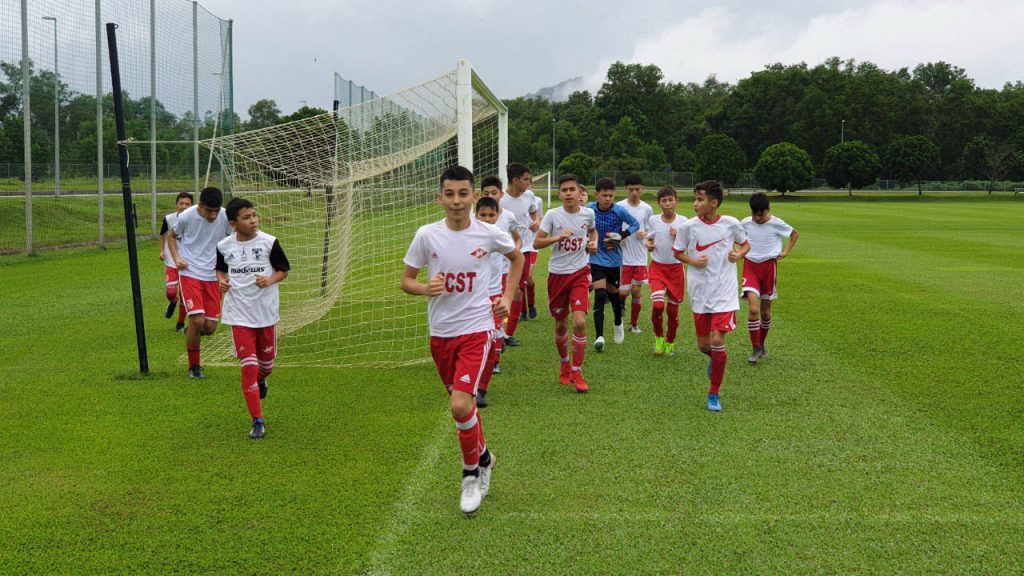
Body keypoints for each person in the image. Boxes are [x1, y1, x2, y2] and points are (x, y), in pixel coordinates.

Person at [402, 165, 523, 515]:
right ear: (440, 197)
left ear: (474, 196)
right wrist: (425, 287)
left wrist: (508, 297)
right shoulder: (427, 235)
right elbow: (407, 280)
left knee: (459, 405)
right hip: (441, 334)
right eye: (450, 194)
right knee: (464, 409)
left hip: (477, 329)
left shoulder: (488, 234)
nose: (457, 201)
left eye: (463, 194)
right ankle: (484, 456)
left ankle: (471, 475)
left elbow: (516, 260)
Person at [215, 197, 290, 439]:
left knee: (266, 366)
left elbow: (283, 270)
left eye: (255, 215)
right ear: (233, 223)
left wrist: (269, 280)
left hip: (266, 313)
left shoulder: (269, 242)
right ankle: (257, 420)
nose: (253, 221)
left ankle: (261, 382)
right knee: (249, 366)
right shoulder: (224, 246)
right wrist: (221, 280)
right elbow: (219, 268)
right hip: (238, 313)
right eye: (247, 217)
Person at [673, 180, 749, 412]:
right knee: (704, 345)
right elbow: (677, 253)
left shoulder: (731, 224)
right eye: (695, 199)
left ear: (713, 203)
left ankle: (713, 393)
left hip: (724, 290)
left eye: (700, 199)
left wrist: (739, 254)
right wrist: (693, 261)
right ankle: (714, 361)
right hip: (700, 291)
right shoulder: (688, 227)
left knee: (717, 341)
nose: (695, 203)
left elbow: (745, 245)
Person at [533, 174, 597, 392]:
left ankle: (578, 372)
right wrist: (556, 238)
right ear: (559, 194)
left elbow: (592, 231)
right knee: (561, 323)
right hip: (557, 275)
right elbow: (537, 242)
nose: (569, 193)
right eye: (564, 190)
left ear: (580, 193)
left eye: (572, 189)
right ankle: (564, 364)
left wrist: (594, 242)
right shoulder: (552, 215)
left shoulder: (588, 213)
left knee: (579, 322)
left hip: (580, 273)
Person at [167, 186, 233, 379]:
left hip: (213, 276)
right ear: (200, 205)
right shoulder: (187, 216)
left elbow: (233, 236)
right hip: (190, 273)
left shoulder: (224, 216)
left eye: (216, 210)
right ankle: (194, 367)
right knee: (197, 320)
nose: (213, 215)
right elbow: (172, 236)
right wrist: (177, 257)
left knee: (209, 328)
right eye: (209, 211)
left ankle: (191, 332)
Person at [474, 183, 522, 407]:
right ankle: (467, 381)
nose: (487, 218)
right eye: (482, 215)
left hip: (494, 295)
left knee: (492, 342)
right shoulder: (467, 234)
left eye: (491, 215)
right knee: (470, 342)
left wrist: (507, 296)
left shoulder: (499, 235)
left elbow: (516, 255)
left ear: (497, 215)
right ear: (475, 215)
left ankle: (482, 388)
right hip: (470, 299)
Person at [741, 192, 799, 363]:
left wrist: (786, 252)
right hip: (750, 267)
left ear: (769, 210)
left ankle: (762, 342)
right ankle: (755, 347)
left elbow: (794, 234)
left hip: (769, 268)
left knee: (765, 313)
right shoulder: (744, 223)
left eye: (762, 214)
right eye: (755, 214)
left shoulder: (776, 223)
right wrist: (738, 249)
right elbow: (735, 237)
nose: (758, 218)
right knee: (753, 310)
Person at [587, 177, 639, 351]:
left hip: (614, 260)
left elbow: (635, 224)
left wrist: (621, 236)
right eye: (604, 195)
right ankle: (599, 337)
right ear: (596, 195)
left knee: (614, 296)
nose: (608, 198)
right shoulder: (589, 210)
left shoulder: (619, 210)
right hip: (595, 259)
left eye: (610, 195)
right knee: (600, 295)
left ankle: (618, 321)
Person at [643, 186, 690, 356]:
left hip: (676, 270)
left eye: (670, 200)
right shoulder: (654, 220)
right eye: (664, 200)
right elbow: (649, 239)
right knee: (657, 305)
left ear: (676, 201)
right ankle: (659, 338)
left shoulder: (684, 222)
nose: (668, 203)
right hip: (657, 268)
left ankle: (670, 341)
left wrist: (679, 235)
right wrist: (649, 245)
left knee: (672, 311)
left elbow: (691, 245)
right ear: (659, 203)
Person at [498, 163, 539, 346]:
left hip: (526, 247)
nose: (529, 183)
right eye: (526, 180)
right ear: (514, 180)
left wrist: (536, 221)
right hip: (504, 251)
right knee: (504, 289)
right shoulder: (501, 200)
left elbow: (533, 213)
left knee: (517, 290)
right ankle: (499, 329)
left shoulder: (529, 196)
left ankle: (508, 334)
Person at [617, 174, 654, 335]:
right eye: (631, 189)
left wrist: (644, 234)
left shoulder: (646, 208)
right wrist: (619, 237)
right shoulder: (619, 207)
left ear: (642, 189)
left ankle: (633, 324)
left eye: (637, 189)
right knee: (623, 291)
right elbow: (612, 228)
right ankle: (621, 305)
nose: (634, 192)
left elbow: (652, 230)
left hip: (640, 256)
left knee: (636, 291)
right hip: (623, 257)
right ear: (625, 189)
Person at [158, 192, 194, 332]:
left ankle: (180, 324)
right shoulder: (169, 219)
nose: (183, 206)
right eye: (181, 203)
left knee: (185, 295)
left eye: (187, 204)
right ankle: (173, 302)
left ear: (192, 206)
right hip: (172, 261)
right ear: (176, 204)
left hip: (188, 264)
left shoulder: (195, 220)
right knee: (171, 292)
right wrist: (162, 250)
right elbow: (163, 234)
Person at [524, 191, 545, 320]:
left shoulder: (536, 200)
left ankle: (531, 304)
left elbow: (539, 218)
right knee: (518, 281)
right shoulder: (506, 199)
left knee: (528, 277)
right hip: (516, 244)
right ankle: (522, 311)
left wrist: (536, 222)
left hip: (531, 245)